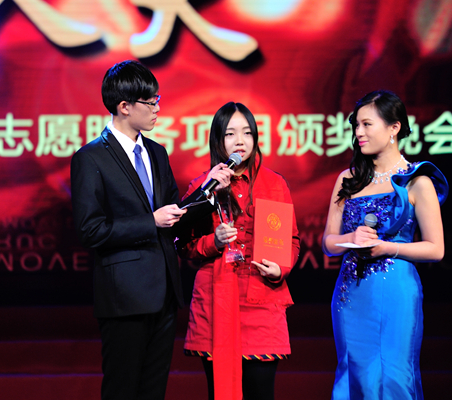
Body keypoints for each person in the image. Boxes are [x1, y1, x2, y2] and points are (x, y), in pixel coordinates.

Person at [70, 60, 233, 400]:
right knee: (122, 389)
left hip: (164, 293)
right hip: (124, 297)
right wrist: (150, 221)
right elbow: (90, 230)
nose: (158, 108)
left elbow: (175, 215)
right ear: (124, 107)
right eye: (151, 101)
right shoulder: (91, 157)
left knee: (154, 390)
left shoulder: (157, 152)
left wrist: (208, 190)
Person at [322, 90, 448, 399]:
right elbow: (328, 243)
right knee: (355, 374)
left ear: (394, 127)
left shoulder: (417, 181)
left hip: (396, 294)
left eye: (367, 124)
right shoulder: (348, 179)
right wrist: (350, 239)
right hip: (351, 293)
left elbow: (436, 248)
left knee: (393, 376)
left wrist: (388, 248)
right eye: (356, 125)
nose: (358, 132)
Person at [176, 102, 300, 400]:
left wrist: (280, 269)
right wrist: (213, 242)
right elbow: (182, 243)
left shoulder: (275, 184)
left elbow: (292, 241)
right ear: (218, 140)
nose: (240, 141)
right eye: (230, 134)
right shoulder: (202, 186)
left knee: (261, 392)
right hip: (216, 301)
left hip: (262, 300)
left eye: (247, 133)